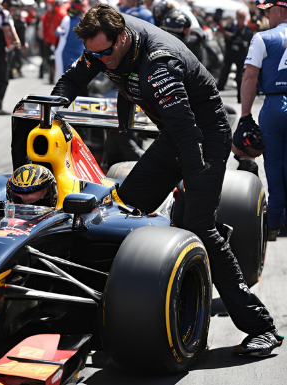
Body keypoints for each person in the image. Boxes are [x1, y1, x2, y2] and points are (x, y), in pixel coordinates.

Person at [51, 4, 283, 356]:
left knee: (198, 226)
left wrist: (192, 176)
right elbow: (73, 79)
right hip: (173, 136)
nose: (102, 61)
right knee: (122, 213)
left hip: (202, 137)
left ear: (124, 37)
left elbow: (187, 130)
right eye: (94, 53)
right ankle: (103, 312)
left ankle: (261, 327)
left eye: (107, 53)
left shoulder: (159, 63)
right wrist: (50, 105)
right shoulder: (104, 42)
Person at [236, 0, 287, 241]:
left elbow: (249, 77)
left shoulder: (262, 38)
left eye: (268, 11)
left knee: (274, 167)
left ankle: (275, 223)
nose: (267, 16)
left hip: (274, 106)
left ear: (280, 9)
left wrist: (245, 116)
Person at [216, 9, 254, 103]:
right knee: (224, 72)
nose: (240, 19)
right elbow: (225, 34)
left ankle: (240, 98)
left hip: (241, 57)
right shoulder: (232, 27)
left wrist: (228, 35)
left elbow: (242, 42)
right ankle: (217, 93)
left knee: (239, 78)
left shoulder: (247, 30)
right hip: (230, 55)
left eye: (242, 17)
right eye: (239, 16)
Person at [54, 0, 85, 79]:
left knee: (63, 80)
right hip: (78, 54)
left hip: (65, 53)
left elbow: (58, 32)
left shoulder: (66, 19)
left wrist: (58, 30)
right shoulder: (85, 22)